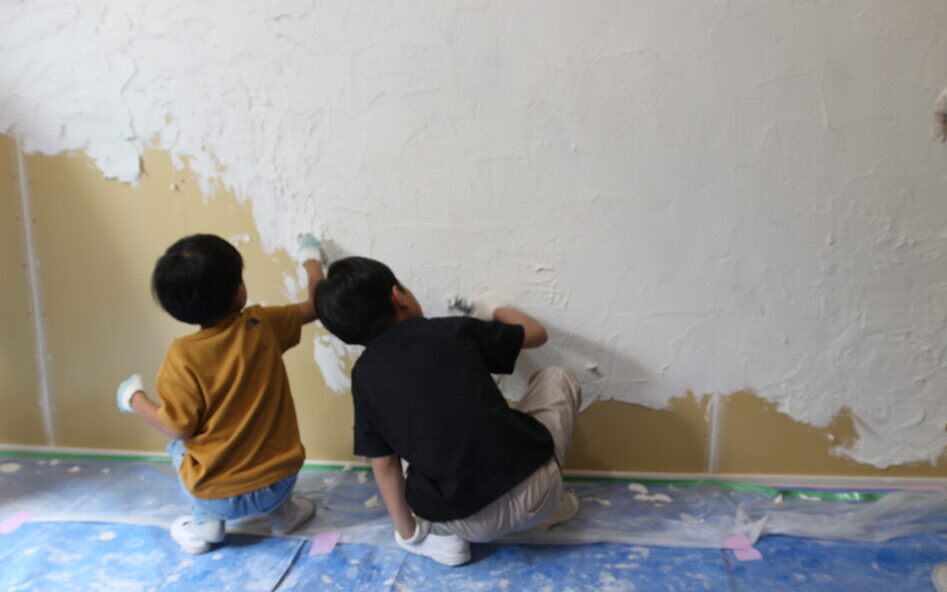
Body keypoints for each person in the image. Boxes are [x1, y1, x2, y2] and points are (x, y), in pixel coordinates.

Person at [315, 256, 582, 566]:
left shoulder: (363, 377)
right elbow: (536, 333)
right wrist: (491, 308)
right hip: (539, 493)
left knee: (405, 449)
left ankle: (443, 541)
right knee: (557, 376)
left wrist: (409, 534)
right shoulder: (450, 330)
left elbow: (383, 464)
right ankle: (546, 512)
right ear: (398, 296)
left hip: (467, 522)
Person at [115, 233, 326, 554]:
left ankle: (206, 526)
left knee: (178, 446)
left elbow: (178, 427)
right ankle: (284, 515)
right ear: (238, 292)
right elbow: (316, 306)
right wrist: (311, 261)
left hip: (217, 495)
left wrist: (135, 399)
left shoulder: (182, 356)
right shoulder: (262, 324)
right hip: (279, 482)